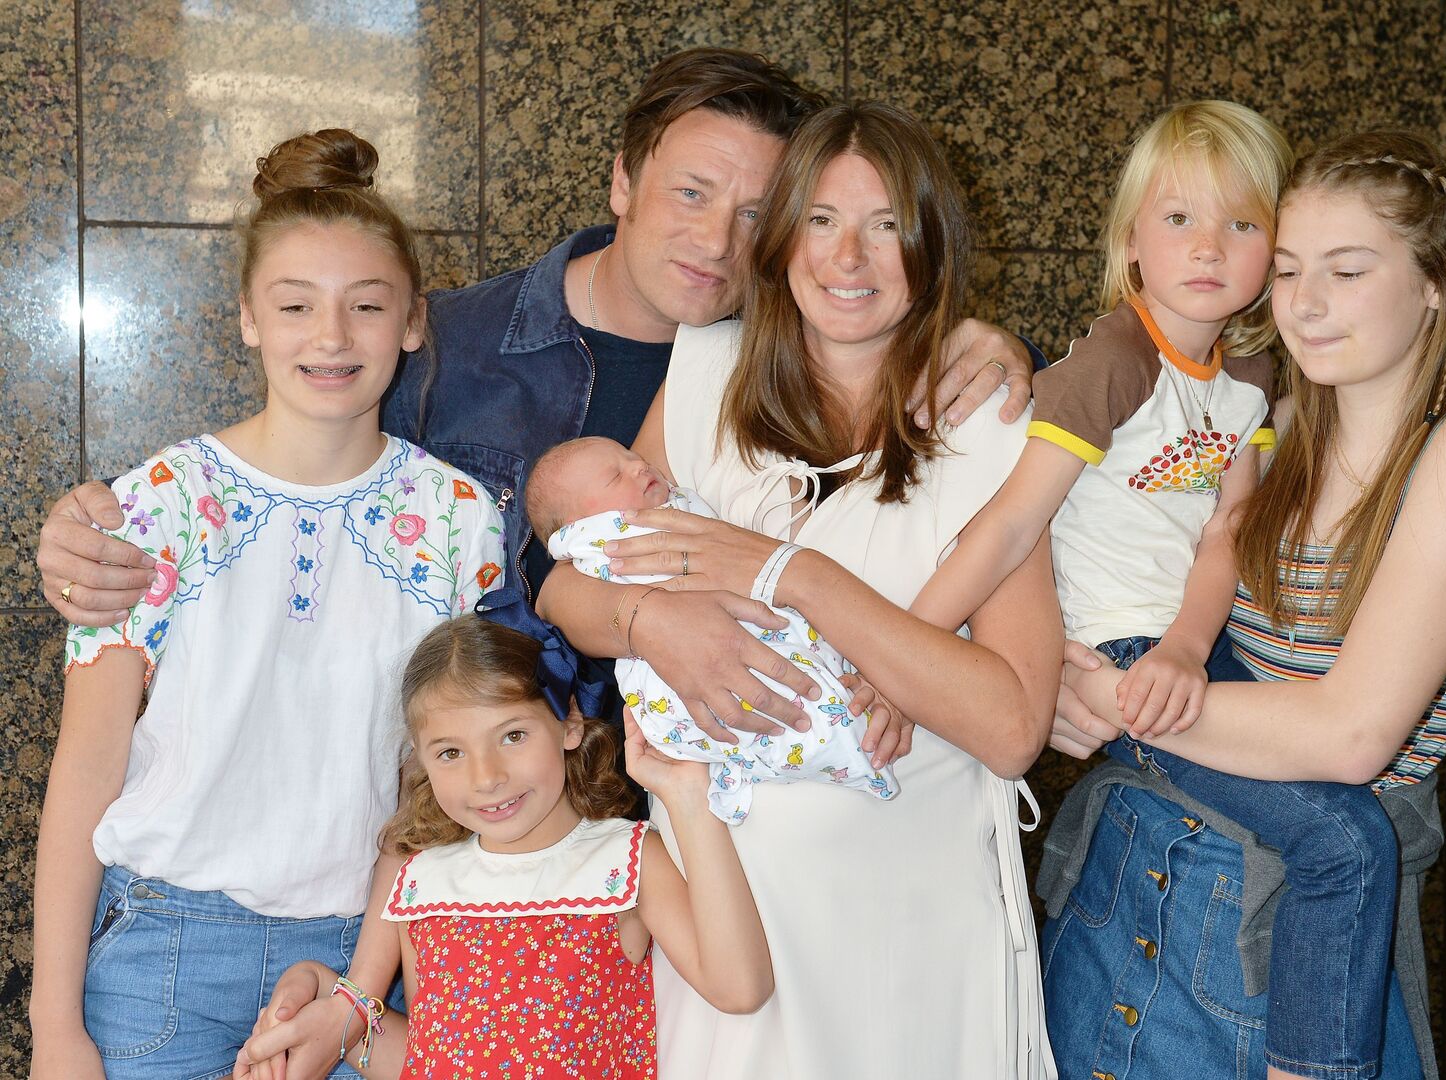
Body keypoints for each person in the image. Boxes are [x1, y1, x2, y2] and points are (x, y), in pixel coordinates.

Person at [35, 48, 1038, 731]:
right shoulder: (445, 345)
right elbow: (276, 471)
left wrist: (987, 343)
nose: (714, 240)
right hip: (474, 832)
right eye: (691, 193)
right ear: (622, 181)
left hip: (709, 825)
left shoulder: (780, 371)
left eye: (755, 213)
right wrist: (98, 534)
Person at [539, 101, 1061, 1080]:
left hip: (908, 933)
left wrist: (798, 577)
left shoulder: (991, 426)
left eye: (883, 225)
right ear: (781, 238)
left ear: (931, 242)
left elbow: (1010, 727)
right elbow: (569, 588)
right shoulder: (706, 376)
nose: (847, 257)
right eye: (820, 220)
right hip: (724, 922)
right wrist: (651, 622)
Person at [1039, 130, 1446, 1080]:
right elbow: (1098, 428)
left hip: (1287, 940)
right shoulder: (1277, 426)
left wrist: (1108, 702)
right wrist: (984, 355)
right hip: (1125, 888)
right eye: (1285, 270)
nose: (1304, 303)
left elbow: (1348, 737)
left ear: (1436, 282)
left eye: (1346, 272)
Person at [916, 101, 1405, 1080]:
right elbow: (1008, 526)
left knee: (1344, 813)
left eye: (1240, 223)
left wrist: (1187, 645)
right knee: (1344, 843)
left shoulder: (1249, 376)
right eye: (1178, 219)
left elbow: (1228, 531)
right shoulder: (1113, 361)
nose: (1208, 248)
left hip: (1190, 649)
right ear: (1130, 240)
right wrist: (904, 651)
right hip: (1114, 653)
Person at [27, 129, 506, 1080]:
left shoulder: (459, 518)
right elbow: (85, 769)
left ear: (413, 321)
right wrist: (55, 1028)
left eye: (366, 305)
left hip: (360, 956)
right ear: (249, 318)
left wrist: (365, 991)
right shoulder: (160, 502)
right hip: (161, 950)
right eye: (295, 306)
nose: (331, 337)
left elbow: (430, 785)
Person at [238, 615, 772, 1079]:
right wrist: (324, 995)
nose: (487, 777)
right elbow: (430, 1060)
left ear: (569, 723)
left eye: (512, 735)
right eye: (450, 752)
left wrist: (688, 796)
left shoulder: (625, 860)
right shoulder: (422, 883)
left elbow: (740, 988)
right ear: (420, 759)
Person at [526, 435, 905, 824]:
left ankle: (833, 741)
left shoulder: (674, 503)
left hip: (774, 627)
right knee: (775, 707)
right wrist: (647, 616)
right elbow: (552, 598)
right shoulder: (601, 544)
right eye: (614, 476)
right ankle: (839, 749)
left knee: (798, 677)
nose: (640, 466)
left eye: (634, 457)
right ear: (575, 527)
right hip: (683, 668)